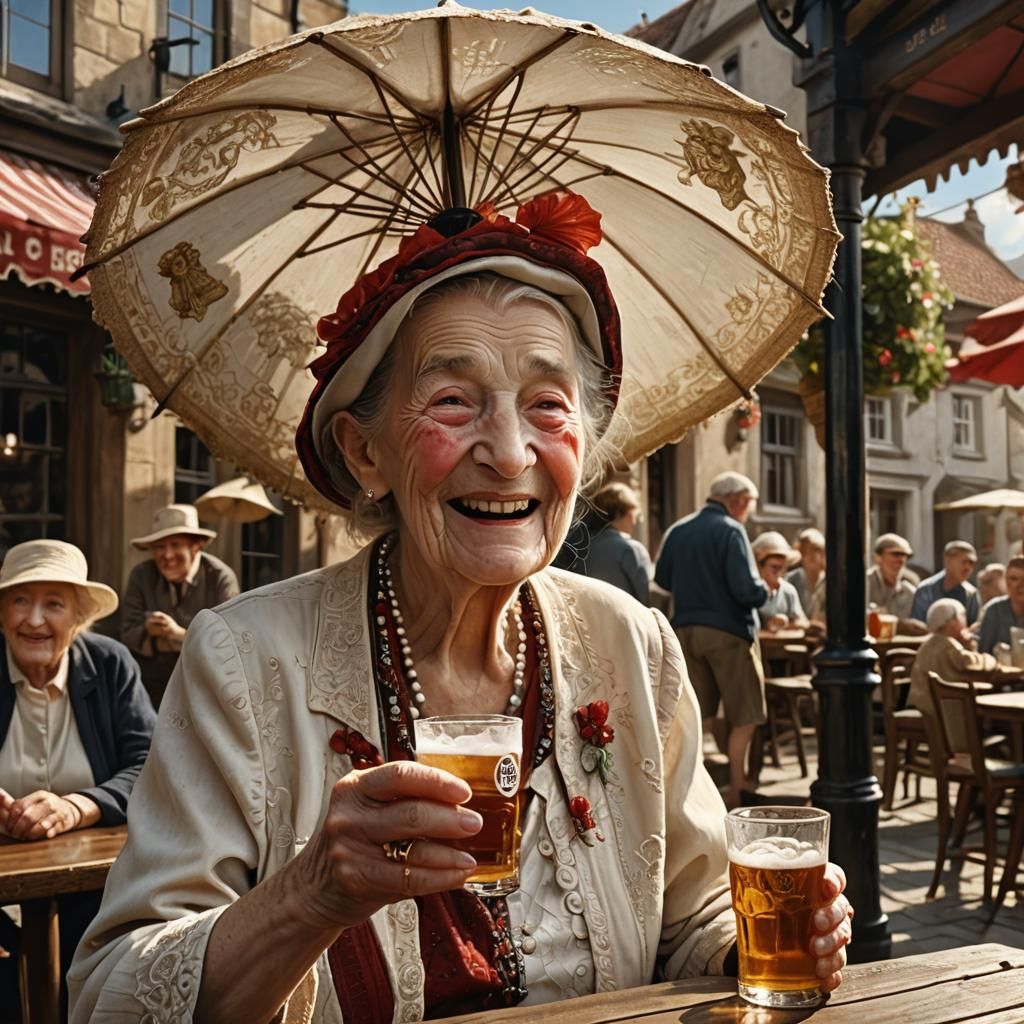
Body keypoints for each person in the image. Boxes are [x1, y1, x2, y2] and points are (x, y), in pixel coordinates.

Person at [70, 196, 851, 1022]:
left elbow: (694, 913)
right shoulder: (244, 657)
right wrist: (307, 897)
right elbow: (108, 996)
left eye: (547, 404)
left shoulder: (631, 642)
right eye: (452, 400)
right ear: (364, 451)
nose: (510, 454)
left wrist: (762, 940)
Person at [0, 540, 155, 1019]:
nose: (34, 620)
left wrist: (79, 806)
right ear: (1, 612)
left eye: (54, 604)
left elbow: (151, 763)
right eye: (20, 600)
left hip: (97, 891)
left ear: (79, 617)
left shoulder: (110, 664)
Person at [655, 472, 769, 808]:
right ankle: (737, 789)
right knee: (747, 715)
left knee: (697, 714)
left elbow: (662, 579)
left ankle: (692, 794)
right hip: (728, 632)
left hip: (685, 631)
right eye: (748, 504)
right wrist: (765, 590)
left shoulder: (678, 529)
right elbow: (746, 590)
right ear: (737, 500)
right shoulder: (731, 530)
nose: (747, 512)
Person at [120, 504, 239, 708]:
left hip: (204, 686)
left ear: (196, 546)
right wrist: (147, 629)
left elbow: (228, 644)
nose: (167, 555)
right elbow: (126, 634)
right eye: (159, 547)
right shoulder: (141, 575)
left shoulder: (221, 579)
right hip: (149, 688)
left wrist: (178, 634)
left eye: (175, 545)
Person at [909, 599, 999, 745]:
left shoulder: (929, 643)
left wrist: (967, 644)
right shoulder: (948, 644)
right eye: (962, 616)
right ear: (951, 622)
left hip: (927, 705)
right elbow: (971, 663)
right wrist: (990, 659)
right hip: (943, 710)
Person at [573, 482, 651, 603]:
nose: (634, 522)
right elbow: (645, 600)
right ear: (629, 513)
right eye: (635, 516)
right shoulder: (632, 549)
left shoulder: (581, 548)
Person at [910, 541, 980, 626]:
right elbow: (917, 625)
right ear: (948, 560)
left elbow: (974, 625)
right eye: (964, 562)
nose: (968, 567)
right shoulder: (926, 590)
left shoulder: (971, 593)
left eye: (971, 563)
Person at [753, 531, 809, 631]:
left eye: (783, 569)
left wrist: (786, 623)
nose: (779, 574)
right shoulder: (748, 591)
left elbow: (803, 622)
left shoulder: (788, 591)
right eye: (774, 568)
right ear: (759, 566)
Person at [866, 533, 919, 630]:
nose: (901, 560)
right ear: (878, 558)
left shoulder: (909, 591)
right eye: (896, 554)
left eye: (905, 556)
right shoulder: (865, 584)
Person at [977, 556, 1024, 655]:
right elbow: (984, 653)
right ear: (1006, 581)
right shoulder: (994, 610)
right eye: (1014, 579)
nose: (1021, 585)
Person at [787, 527, 826, 622]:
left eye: (816, 550)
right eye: (805, 551)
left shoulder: (828, 582)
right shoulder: (792, 579)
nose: (811, 555)